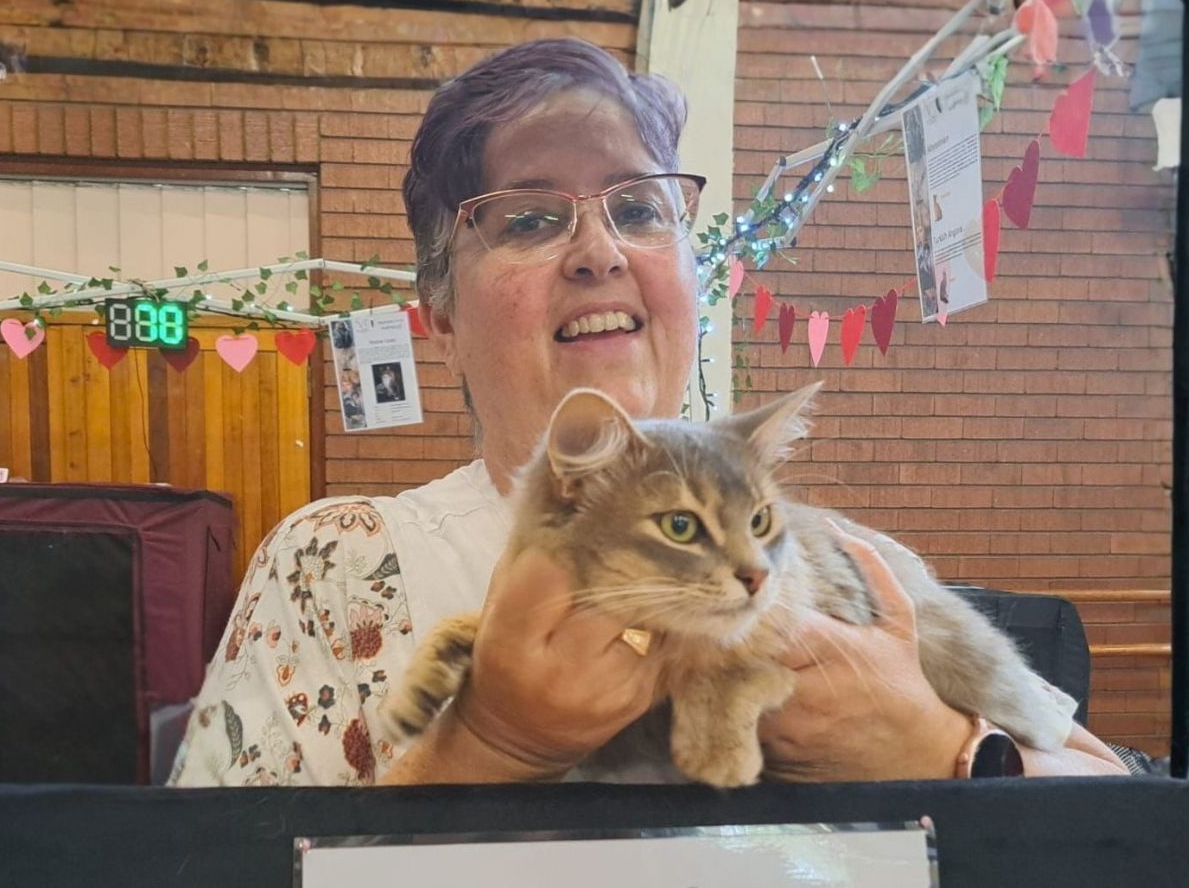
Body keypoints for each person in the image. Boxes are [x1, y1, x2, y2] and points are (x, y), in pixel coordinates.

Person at [168, 38, 1125, 788]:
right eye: (531, 219)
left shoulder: (839, 559)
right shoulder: (337, 566)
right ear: (441, 312)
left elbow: (1116, 803)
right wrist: (488, 746)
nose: (599, 251)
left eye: (640, 208)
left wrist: (944, 749)